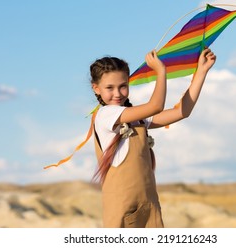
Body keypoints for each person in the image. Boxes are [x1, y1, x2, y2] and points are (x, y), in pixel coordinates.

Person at [90, 48, 216, 228]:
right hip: (123, 207)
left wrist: (201, 72)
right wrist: (160, 71)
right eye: (109, 88)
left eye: (123, 86)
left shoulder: (137, 118)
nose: (117, 93)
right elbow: (156, 106)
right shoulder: (106, 115)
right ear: (96, 88)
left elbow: (182, 112)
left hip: (148, 203)